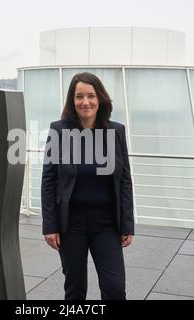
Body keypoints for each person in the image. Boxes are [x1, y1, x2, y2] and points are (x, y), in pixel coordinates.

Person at [41, 72, 134, 300]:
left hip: (107, 224)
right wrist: (49, 225)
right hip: (70, 224)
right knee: (75, 288)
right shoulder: (59, 131)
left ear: (100, 99)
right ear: (72, 101)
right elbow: (49, 181)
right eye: (79, 96)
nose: (85, 102)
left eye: (91, 96)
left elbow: (124, 181)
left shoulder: (116, 131)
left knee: (115, 288)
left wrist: (127, 225)